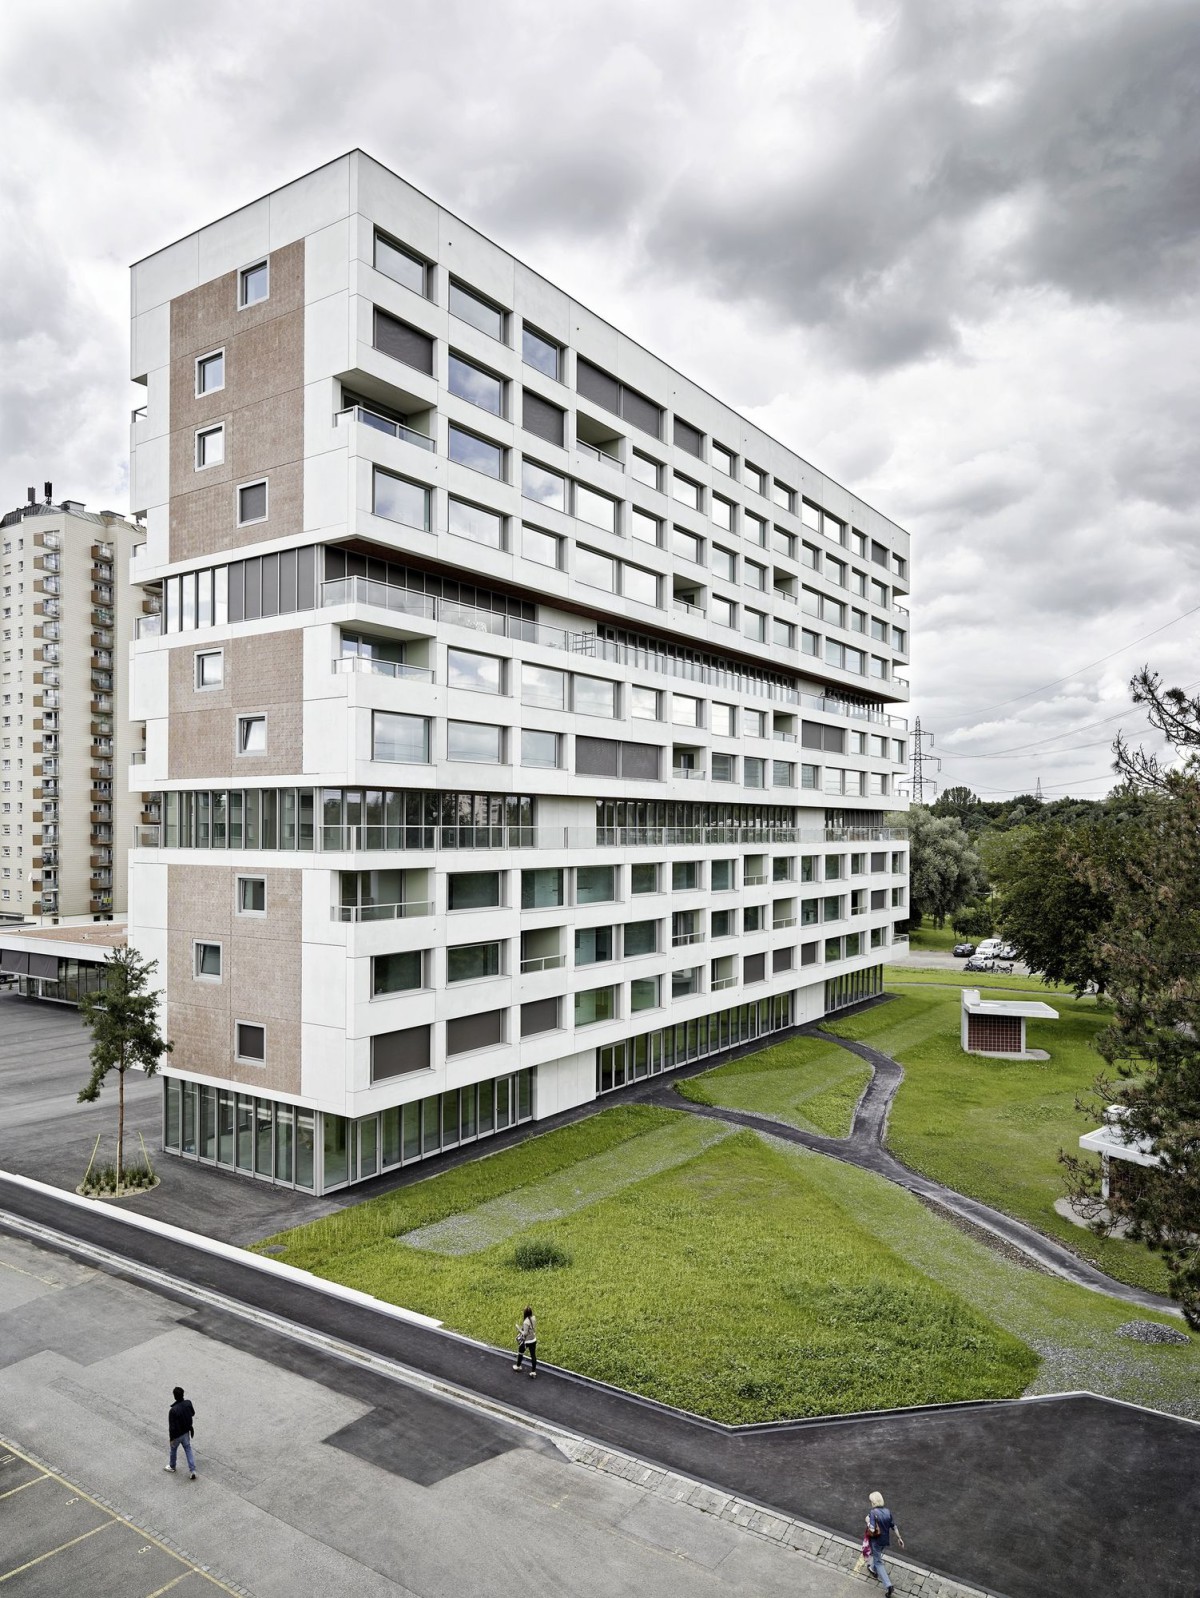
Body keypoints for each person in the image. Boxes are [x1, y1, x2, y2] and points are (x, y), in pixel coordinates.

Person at [864, 1490, 903, 1594]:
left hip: (876, 1540)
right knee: (877, 1556)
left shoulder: (873, 1512)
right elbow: (894, 1526)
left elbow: (872, 1529)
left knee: (878, 1562)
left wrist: (868, 1521)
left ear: (874, 1502)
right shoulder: (887, 1511)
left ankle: (888, 1585)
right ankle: (872, 1568)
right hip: (885, 1540)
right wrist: (899, 1538)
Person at [164, 1386, 197, 1478]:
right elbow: (193, 1413)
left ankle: (172, 1466)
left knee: (173, 1450)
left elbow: (172, 1427)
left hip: (177, 1435)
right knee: (188, 1449)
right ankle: (192, 1470)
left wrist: (171, 1439)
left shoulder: (173, 1410)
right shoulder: (188, 1403)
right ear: (183, 1394)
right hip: (186, 1432)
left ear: (174, 1396)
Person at [513, 1306, 537, 1377]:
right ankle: (533, 1372)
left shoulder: (526, 1322)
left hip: (526, 1341)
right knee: (533, 1356)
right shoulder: (534, 1318)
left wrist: (518, 1328)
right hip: (533, 1339)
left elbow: (525, 1333)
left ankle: (518, 1366)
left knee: (520, 1352)